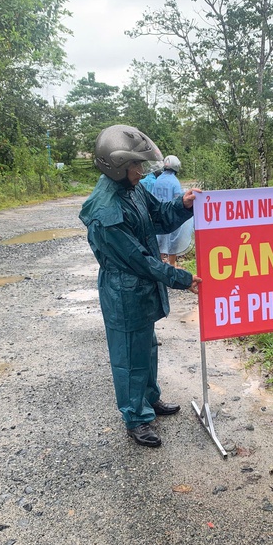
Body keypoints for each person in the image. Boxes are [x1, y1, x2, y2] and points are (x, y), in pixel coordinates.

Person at [78, 125, 202, 448]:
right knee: (129, 355)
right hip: (124, 291)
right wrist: (182, 278)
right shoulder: (107, 212)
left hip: (139, 289)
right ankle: (135, 417)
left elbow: (159, 215)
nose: (141, 171)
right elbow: (141, 260)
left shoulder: (133, 189)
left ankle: (150, 399)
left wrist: (184, 205)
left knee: (146, 347)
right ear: (118, 167)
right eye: (136, 166)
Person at [151, 155, 192, 267]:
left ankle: (159, 262)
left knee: (160, 238)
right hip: (171, 214)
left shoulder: (158, 180)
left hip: (158, 214)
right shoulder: (174, 182)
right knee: (173, 239)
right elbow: (179, 200)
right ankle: (172, 263)